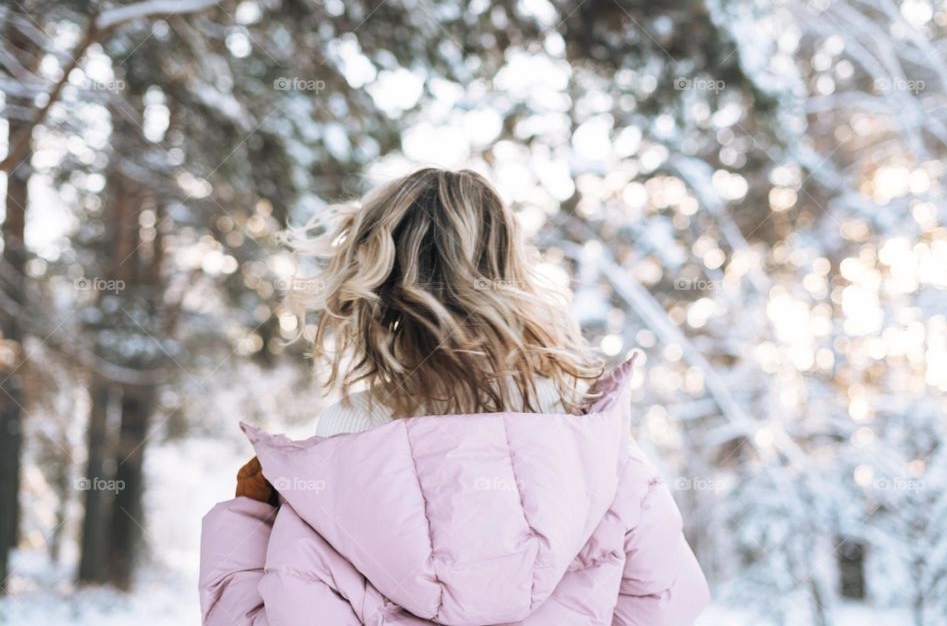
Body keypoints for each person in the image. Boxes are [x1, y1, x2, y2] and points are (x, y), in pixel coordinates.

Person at [199, 168, 709, 625]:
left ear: (376, 283)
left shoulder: (341, 447)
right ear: (510, 269)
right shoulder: (591, 443)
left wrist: (248, 522)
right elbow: (663, 604)